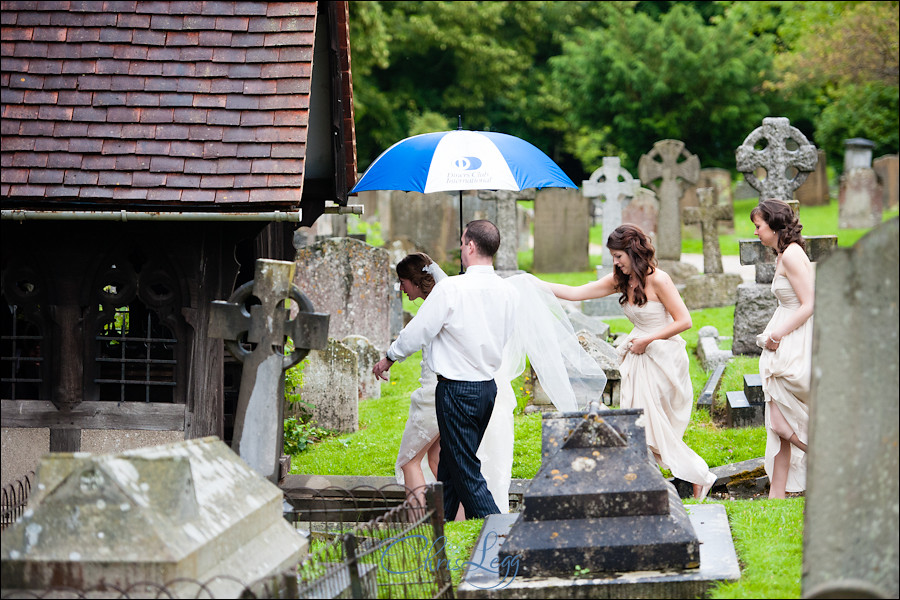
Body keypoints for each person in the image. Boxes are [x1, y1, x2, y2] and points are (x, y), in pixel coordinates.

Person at [542, 224, 715, 500]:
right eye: (613, 256)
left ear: (633, 252)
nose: (615, 262)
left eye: (618, 256)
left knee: (653, 427)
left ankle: (698, 476)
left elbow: (685, 321)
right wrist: (535, 283)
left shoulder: (660, 280)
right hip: (638, 358)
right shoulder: (620, 280)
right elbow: (577, 292)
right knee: (639, 426)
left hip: (664, 358)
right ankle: (658, 486)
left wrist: (649, 340)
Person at [373, 220, 518, 519]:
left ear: (471, 246)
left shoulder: (451, 288)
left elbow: (419, 331)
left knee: (466, 471)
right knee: (451, 466)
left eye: (463, 241)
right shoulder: (506, 291)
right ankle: (445, 525)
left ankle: (501, 538)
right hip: (488, 388)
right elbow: (504, 337)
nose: (461, 247)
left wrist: (389, 357)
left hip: (457, 389)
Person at [751, 199, 813, 499]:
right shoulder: (783, 254)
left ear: (774, 225)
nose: (755, 232)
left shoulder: (790, 255)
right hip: (786, 332)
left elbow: (810, 303)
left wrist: (777, 334)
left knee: (779, 421)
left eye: (758, 226)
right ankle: (776, 496)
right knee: (778, 425)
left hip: (794, 337)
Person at [390, 252, 445, 510]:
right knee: (436, 458)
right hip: (445, 389)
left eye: (403, 282)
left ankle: (420, 526)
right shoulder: (443, 299)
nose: (401, 289)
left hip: (433, 394)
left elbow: (412, 336)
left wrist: (388, 358)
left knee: (409, 461)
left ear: (415, 280)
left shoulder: (434, 304)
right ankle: (457, 518)